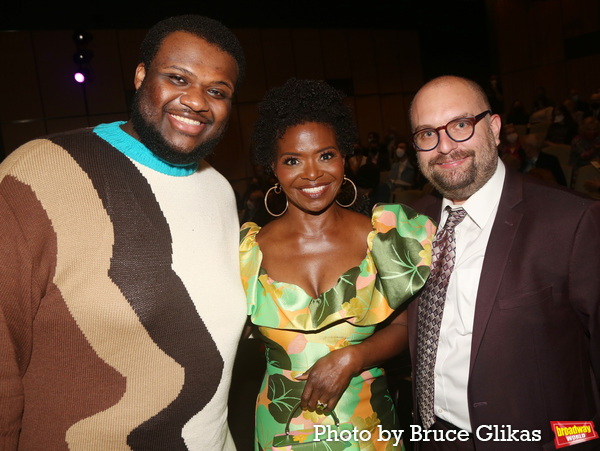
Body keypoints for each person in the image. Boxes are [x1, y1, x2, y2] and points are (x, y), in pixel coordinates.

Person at [0, 15, 247, 450]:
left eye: (217, 91)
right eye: (178, 78)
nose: (197, 101)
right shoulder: (39, 173)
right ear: (139, 76)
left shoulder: (220, 189)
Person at [405, 75, 600, 450]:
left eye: (460, 125)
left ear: (493, 128)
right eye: (427, 134)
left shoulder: (572, 222)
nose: (445, 146)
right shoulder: (413, 223)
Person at [239, 78, 435, 450]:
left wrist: (355, 356)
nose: (312, 173)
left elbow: (404, 331)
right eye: (293, 160)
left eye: (326, 155)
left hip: (368, 427)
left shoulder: (388, 237)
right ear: (273, 168)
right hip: (282, 431)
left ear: (345, 157)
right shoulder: (247, 252)